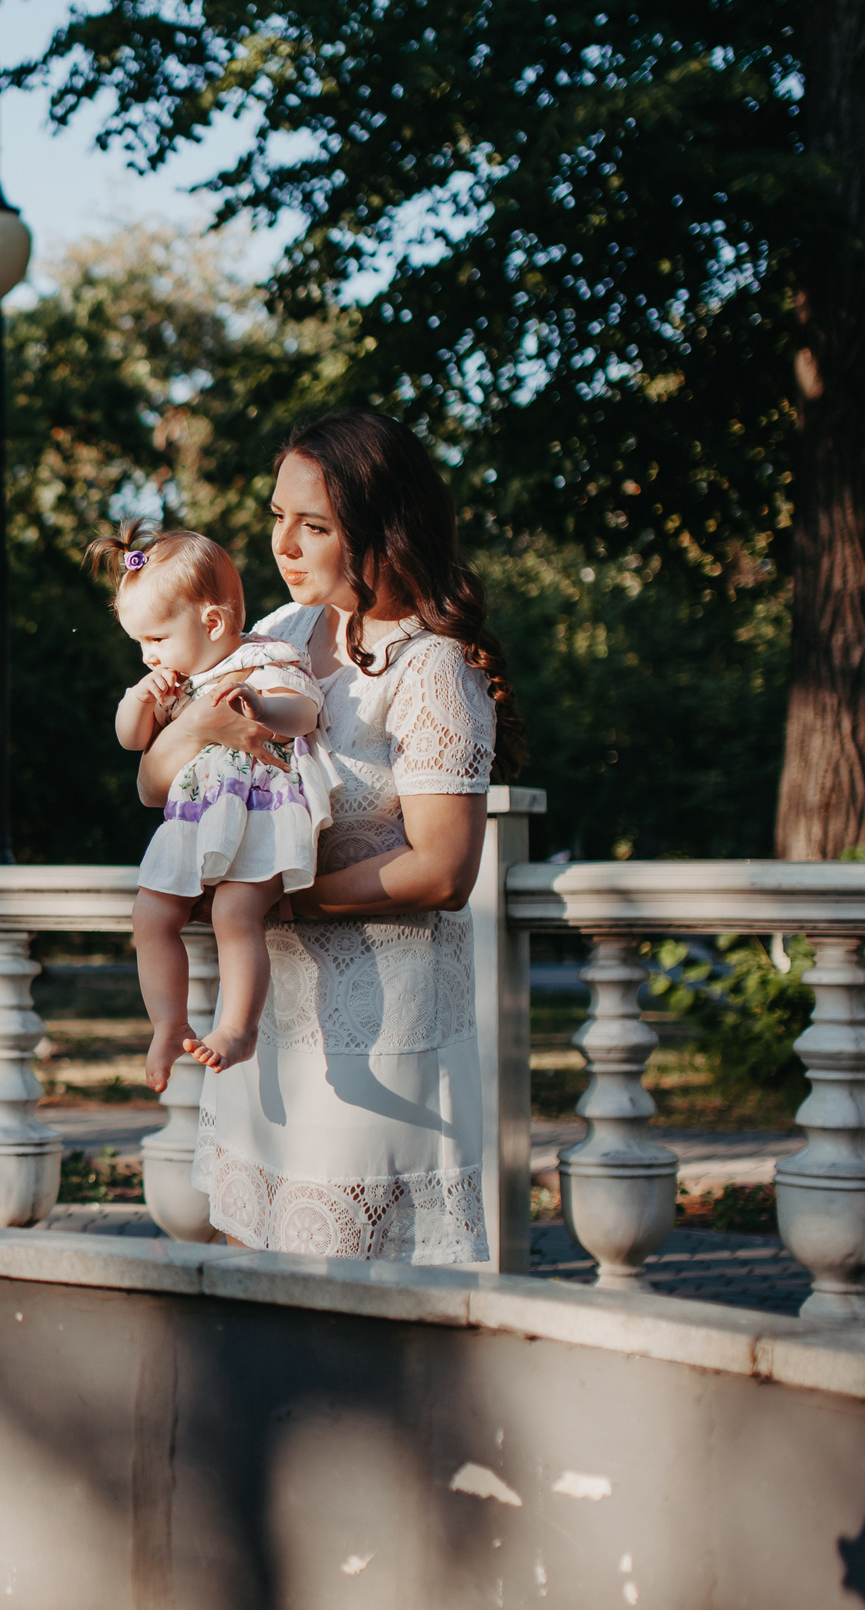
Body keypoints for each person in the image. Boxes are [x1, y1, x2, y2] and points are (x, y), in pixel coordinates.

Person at [138, 410, 524, 1263]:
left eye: (314, 525)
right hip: (267, 1022)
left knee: (356, 1304)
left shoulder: (435, 667)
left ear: (383, 528)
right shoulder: (270, 636)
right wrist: (200, 724)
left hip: (380, 1036)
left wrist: (282, 891)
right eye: (278, 516)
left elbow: (443, 870)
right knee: (255, 1283)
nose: (284, 543)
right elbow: (155, 781)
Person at [101, 525, 338, 1092]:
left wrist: (259, 706)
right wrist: (139, 697)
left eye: (155, 639)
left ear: (211, 622)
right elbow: (132, 741)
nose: (147, 655)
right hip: (196, 819)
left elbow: (304, 713)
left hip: (260, 815)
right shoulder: (176, 682)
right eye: (139, 643)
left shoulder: (266, 659)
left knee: (235, 914)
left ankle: (237, 1027)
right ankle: (168, 1022)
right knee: (150, 917)